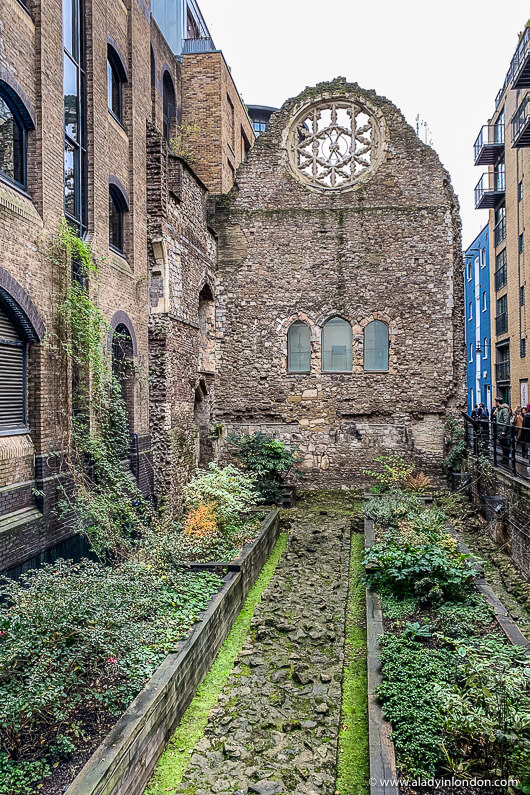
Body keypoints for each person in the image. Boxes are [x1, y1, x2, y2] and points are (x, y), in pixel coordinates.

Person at [496, 401, 512, 466]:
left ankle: (506, 459)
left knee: (505, 446)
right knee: (503, 446)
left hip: (503, 432)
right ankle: (504, 458)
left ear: (498, 402)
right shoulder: (500, 410)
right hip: (500, 430)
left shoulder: (504, 410)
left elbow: (506, 421)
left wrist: (504, 430)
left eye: (495, 402)